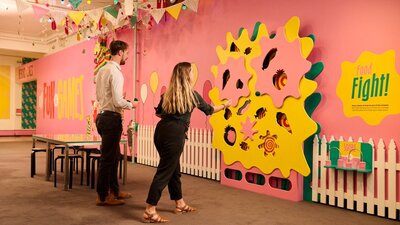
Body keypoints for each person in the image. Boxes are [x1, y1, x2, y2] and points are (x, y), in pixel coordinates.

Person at [143, 62, 232, 223]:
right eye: (191, 72)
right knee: (165, 171)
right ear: (187, 75)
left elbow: (159, 113)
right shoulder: (192, 95)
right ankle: (150, 209)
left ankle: (180, 203)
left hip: (161, 131)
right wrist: (225, 104)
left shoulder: (167, 94)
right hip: (175, 134)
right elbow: (210, 110)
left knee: (173, 170)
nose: (193, 74)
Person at [95, 40, 138, 206]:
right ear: (120, 52)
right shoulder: (116, 73)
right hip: (112, 119)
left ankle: (115, 191)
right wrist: (131, 104)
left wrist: (117, 101)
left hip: (102, 116)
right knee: (108, 159)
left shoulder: (102, 71)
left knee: (113, 157)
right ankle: (103, 196)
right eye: (126, 53)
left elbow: (101, 97)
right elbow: (118, 101)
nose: (127, 56)